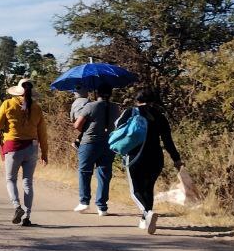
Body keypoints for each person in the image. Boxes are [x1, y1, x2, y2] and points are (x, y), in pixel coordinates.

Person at [120, 89, 183, 235]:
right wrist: (176, 159)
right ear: (153, 101)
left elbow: (118, 129)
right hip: (156, 157)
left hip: (135, 156)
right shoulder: (160, 116)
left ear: (137, 100)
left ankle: (147, 213)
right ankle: (144, 220)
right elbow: (168, 141)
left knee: (135, 190)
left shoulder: (130, 112)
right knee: (148, 188)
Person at [0, 78, 49, 227]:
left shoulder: (8, 104)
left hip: (13, 147)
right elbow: (42, 132)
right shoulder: (36, 107)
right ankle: (27, 216)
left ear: (18, 91)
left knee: (10, 179)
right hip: (32, 147)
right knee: (27, 182)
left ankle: (17, 206)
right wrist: (45, 153)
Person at [73, 86, 117, 216]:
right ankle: (102, 207)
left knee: (84, 171)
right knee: (104, 173)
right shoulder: (115, 107)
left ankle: (84, 201)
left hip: (89, 143)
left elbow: (77, 125)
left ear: (96, 93)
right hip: (108, 143)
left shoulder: (90, 106)